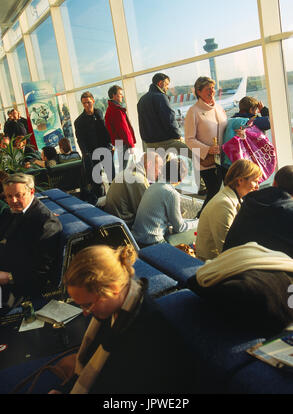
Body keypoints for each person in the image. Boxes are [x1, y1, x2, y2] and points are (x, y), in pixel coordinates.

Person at [48, 244, 195, 394]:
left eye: (88, 305)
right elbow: (92, 364)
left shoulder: (149, 336)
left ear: (113, 288)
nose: (85, 313)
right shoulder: (117, 310)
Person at [0, 173, 62, 313]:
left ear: (32, 191)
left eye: (18, 195)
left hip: (18, 288)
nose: (13, 200)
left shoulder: (46, 223)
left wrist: (7, 277)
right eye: (9, 196)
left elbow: (40, 273)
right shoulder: (11, 212)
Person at [195, 159, 262, 261]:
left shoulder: (232, 198)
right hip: (212, 263)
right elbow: (226, 248)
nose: (257, 187)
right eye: (255, 181)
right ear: (240, 180)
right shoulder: (224, 204)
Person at [223, 165, 293, 257]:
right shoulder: (226, 203)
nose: (257, 186)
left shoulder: (250, 203)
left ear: (274, 183)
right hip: (263, 268)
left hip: (230, 264)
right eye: (255, 181)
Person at [131, 157, 198, 247]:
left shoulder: (152, 186)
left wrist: (192, 221)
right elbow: (180, 227)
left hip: (136, 238)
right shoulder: (172, 194)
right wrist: (197, 222)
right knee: (194, 232)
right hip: (153, 242)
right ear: (181, 180)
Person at [184, 76, 227, 213]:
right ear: (199, 91)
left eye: (213, 88)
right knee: (214, 192)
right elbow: (189, 139)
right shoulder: (193, 111)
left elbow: (226, 129)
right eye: (208, 89)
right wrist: (208, 149)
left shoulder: (219, 108)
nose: (212, 91)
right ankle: (200, 219)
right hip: (207, 161)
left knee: (224, 192)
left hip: (224, 158)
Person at [137, 73, 192, 159]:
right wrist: (178, 136)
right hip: (164, 142)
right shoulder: (160, 97)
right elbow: (169, 119)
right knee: (195, 153)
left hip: (149, 143)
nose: (167, 87)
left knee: (161, 168)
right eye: (166, 84)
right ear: (160, 83)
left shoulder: (142, 100)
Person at [74, 91, 115, 203]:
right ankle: (100, 202)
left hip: (105, 149)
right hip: (92, 153)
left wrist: (110, 144)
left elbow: (105, 131)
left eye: (88, 102)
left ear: (93, 101)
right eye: (84, 103)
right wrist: (86, 153)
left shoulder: (99, 113)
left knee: (112, 177)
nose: (87, 105)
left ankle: (116, 198)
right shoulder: (79, 121)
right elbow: (80, 140)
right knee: (96, 181)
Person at [104, 151, 163, 227]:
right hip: (124, 225)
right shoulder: (139, 180)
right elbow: (148, 214)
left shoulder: (129, 170)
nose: (160, 172)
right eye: (160, 167)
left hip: (114, 218)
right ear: (149, 164)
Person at [105, 85, 136, 172]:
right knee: (125, 169)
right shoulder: (116, 110)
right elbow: (124, 129)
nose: (122, 96)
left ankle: (122, 184)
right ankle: (123, 185)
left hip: (119, 142)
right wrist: (131, 145)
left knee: (123, 167)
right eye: (120, 94)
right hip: (123, 143)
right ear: (114, 95)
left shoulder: (110, 109)